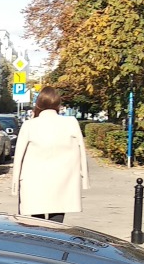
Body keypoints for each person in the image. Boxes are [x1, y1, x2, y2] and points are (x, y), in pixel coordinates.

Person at [11, 87, 89, 222]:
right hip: (64, 179)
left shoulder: (29, 125)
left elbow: (18, 157)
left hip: (33, 180)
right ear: (58, 104)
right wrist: (84, 178)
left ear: (38, 104)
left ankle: (41, 241)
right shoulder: (71, 123)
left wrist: (15, 184)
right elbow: (82, 150)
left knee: (36, 218)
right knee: (58, 217)